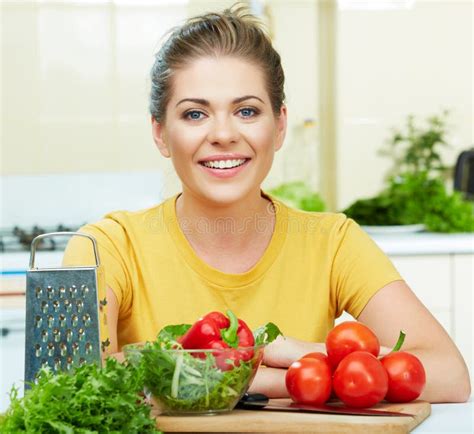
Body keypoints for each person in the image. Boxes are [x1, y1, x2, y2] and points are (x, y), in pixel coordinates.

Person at [63, 4, 470, 403]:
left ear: (278, 126)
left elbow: (449, 374)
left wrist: (305, 359)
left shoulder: (333, 242)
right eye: (194, 114)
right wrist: (274, 374)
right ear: (160, 133)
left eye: (246, 110)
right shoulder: (107, 247)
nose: (223, 134)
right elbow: (73, 386)